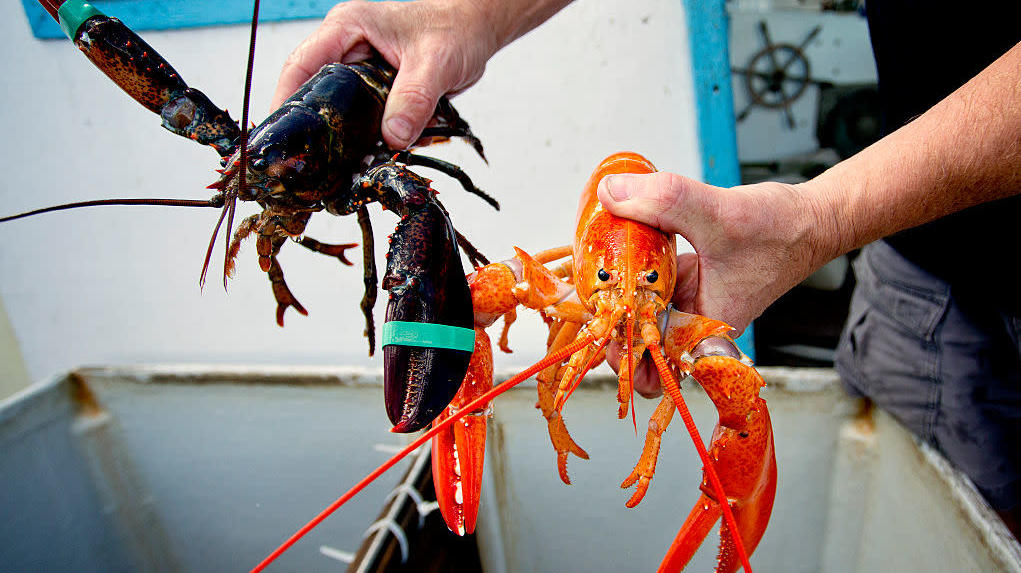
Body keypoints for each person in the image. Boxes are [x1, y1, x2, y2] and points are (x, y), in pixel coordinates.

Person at [273, 0, 1021, 535]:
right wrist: (464, 11)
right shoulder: (575, 273)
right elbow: (486, 295)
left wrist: (819, 219)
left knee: (754, 410)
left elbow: (735, 405)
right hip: (925, 272)